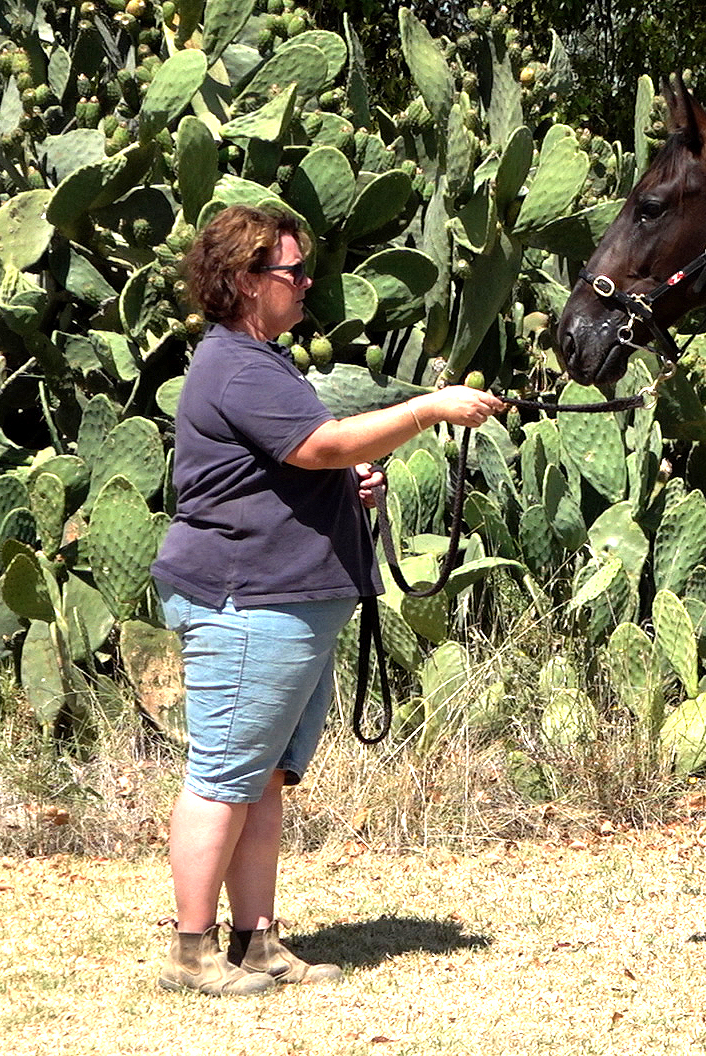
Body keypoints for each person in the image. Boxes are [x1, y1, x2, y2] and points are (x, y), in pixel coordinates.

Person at [150, 205, 503, 995]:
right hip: (248, 604)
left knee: (264, 779)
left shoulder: (261, 362)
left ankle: (257, 943)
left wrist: (347, 486)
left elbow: (295, 465)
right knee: (223, 779)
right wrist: (426, 410)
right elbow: (320, 445)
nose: (308, 283)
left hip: (283, 605)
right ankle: (190, 953)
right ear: (246, 281)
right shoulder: (239, 366)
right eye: (293, 270)